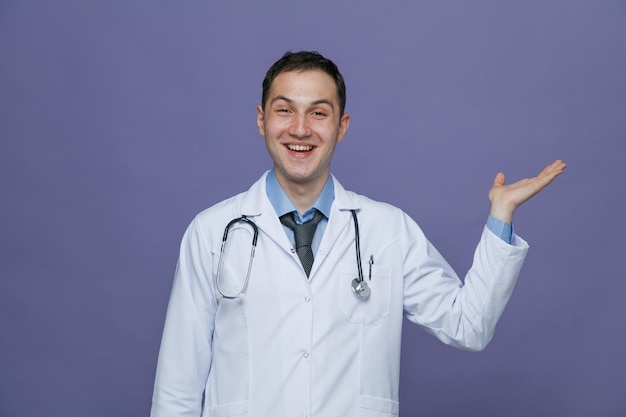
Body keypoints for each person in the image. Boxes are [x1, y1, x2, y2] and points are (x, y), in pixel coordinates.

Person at [150, 51, 566, 417]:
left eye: (318, 112)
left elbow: (468, 327)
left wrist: (501, 214)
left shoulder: (387, 229)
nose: (300, 129)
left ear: (341, 125)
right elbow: (178, 384)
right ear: (261, 120)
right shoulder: (212, 232)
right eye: (284, 110)